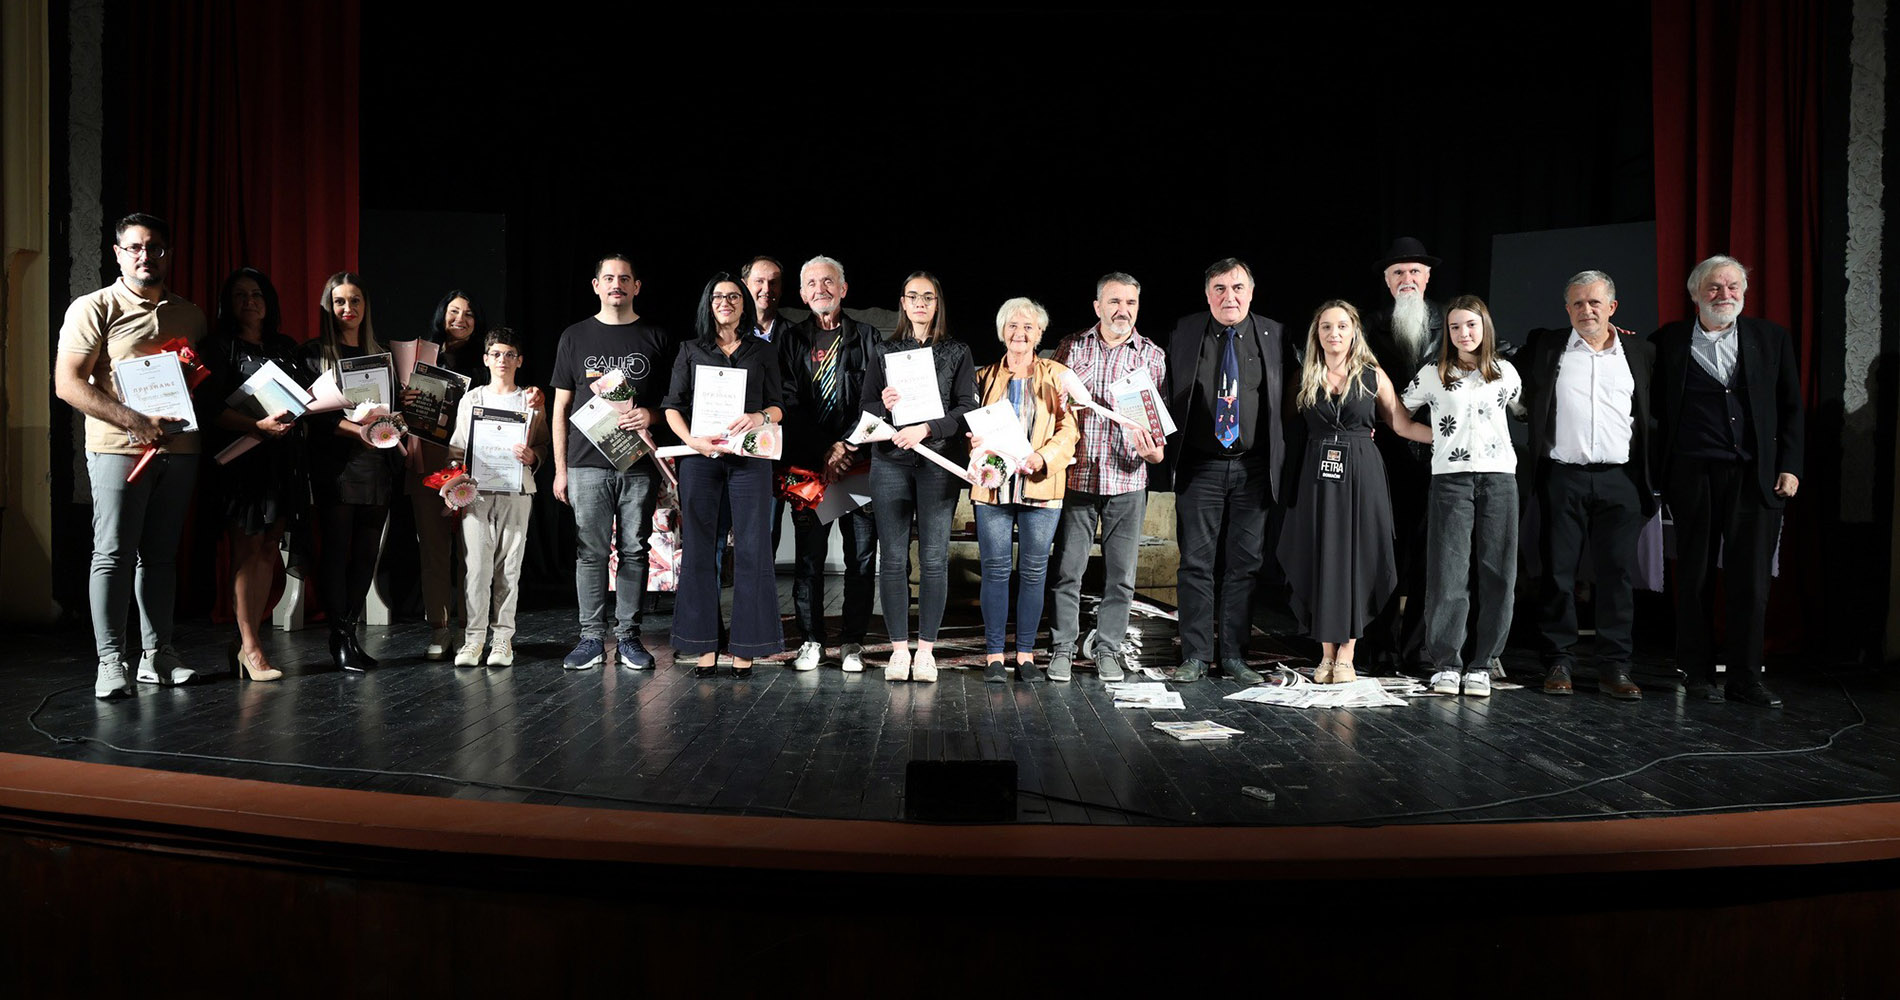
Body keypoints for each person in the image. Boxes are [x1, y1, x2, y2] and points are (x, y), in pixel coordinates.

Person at [54, 213, 209, 697]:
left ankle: (158, 656)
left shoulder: (191, 315)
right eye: (136, 248)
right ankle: (110, 661)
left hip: (181, 449)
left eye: (155, 247)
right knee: (113, 554)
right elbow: (68, 384)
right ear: (118, 254)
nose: (146, 256)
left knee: (160, 557)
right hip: (118, 449)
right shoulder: (93, 307)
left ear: (168, 254)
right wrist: (136, 422)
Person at [1650, 255, 1804, 708]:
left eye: (1733, 286)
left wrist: (1790, 465)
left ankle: (1745, 678)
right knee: (1694, 578)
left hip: (1755, 478)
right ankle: (1696, 674)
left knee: (1751, 582)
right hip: (1692, 477)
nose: (1725, 294)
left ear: (1744, 293)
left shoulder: (1770, 339)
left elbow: (1791, 407)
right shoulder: (1668, 342)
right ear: (1695, 294)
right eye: (1714, 287)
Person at [1519, 270, 1658, 700]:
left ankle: (1615, 666)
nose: (1587, 310)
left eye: (1595, 302)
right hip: (1563, 476)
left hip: (1621, 479)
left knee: (1616, 575)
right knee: (1557, 573)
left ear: (1612, 307)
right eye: (1577, 303)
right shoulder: (1547, 347)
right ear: (1567, 309)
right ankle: (1558, 660)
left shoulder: (1641, 352)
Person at [1277, 301, 1433, 683]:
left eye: (1342, 326)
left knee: (1356, 559)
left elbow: (1401, 424)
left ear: (1354, 332)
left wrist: (1453, 437)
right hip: (1317, 479)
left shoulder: (1371, 375)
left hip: (1362, 476)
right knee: (1321, 559)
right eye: (1326, 327)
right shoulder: (1304, 376)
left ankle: (1346, 654)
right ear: (1317, 334)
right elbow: (1278, 425)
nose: (1334, 333)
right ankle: (1326, 655)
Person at [1163, 258, 1290, 685]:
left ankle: (1235, 656)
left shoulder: (1274, 334)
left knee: (1245, 565)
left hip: (1253, 469)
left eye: (1237, 288)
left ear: (1251, 293)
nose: (1229, 297)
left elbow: (1294, 396)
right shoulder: (1185, 332)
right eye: (1219, 288)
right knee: (1195, 564)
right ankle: (1196, 656)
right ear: (1207, 294)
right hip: (1200, 466)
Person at [549, 254, 671, 671]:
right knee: (590, 552)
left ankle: (629, 638)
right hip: (586, 464)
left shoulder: (656, 337)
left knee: (635, 550)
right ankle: (590, 639)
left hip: (637, 464)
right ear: (596, 285)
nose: (616, 284)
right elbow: (561, 407)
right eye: (609, 277)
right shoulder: (574, 336)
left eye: (624, 278)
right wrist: (561, 469)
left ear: (637, 286)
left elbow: (673, 404)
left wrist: (649, 415)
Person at [663, 274, 787, 676]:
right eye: (718, 296)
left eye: (734, 296)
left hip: (750, 459)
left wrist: (759, 416)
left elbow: (779, 406)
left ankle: (747, 646)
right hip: (701, 460)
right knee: (700, 549)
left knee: (753, 548)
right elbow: (672, 406)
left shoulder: (762, 350)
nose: (726, 302)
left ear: (744, 303)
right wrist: (692, 441)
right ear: (708, 303)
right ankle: (703, 645)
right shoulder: (690, 350)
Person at [1399, 296, 1522, 697]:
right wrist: (1435, 438)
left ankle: (1483, 664)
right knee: (1448, 573)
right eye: (1455, 327)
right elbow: (1399, 415)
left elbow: (1523, 410)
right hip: (1451, 482)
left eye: (1471, 325)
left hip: (1499, 480)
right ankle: (1447, 664)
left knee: (1498, 574)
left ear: (1485, 327)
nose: (1463, 333)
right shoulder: (1433, 373)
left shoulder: (1505, 372)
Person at [1049, 272, 1167, 682]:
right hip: (1078, 477)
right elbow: (1052, 407)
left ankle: (1108, 650)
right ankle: (1062, 648)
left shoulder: (1152, 356)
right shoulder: (1072, 347)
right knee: (1068, 572)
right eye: (1114, 302)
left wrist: (1155, 453)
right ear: (1097, 306)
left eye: (1130, 303)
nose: (1123, 310)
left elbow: (1157, 426)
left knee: (1121, 578)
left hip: (1127, 480)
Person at [861, 272, 977, 683]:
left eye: (928, 297)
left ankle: (925, 651)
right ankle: (898, 650)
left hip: (938, 462)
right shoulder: (885, 350)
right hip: (890, 462)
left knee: (933, 558)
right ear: (903, 303)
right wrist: (883, 404)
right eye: (913, 297)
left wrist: (927, 428)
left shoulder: (958, 351)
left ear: (937, 303)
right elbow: (866, 408)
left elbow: (966, 408)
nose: (920, 303)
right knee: (892, 558)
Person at [197, 267, 308, 682]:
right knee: (247, 549)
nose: (249, 302)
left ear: (268, 302)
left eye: (257, 294)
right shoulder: (218, 346)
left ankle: (250, 639)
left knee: (269, 548)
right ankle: (251, 647)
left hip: (280, 461)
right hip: (241, 462)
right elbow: (209, 409)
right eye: (240, 295)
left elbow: (304, 395)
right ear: (229, 303)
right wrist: (255, 426)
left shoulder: (285, 346)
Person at [779, 255, 881, 672]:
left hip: (858, 463)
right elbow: (787, 402)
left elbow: (876, 399)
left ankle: (853, 642)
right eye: (812, 283)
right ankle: (811, 640)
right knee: (808, 560)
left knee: (861, 559)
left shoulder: (868, 336)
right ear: (802, 294)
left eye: (828, 281)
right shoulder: (790, 340)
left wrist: (846, 446)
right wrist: (825, 449)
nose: (820, 289)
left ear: (843, 289)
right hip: (808, 467)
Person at [971, 298, 1079, 683]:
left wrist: (1043, 457)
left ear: (1040, 333)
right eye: (1013, 326)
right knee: (995, 571)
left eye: (1028, 326)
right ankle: (994, 655)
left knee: (1034, 573)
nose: (1020, 333)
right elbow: (968, 424)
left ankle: (1026, 655)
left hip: (1042, 485)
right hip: (993, 489)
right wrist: (973, 441)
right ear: (1002, 332)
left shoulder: (1059, 375)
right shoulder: (982, 377)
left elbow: (1070, 429)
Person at [300, 271, 401, 672]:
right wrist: (356, 430)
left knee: (365, 553)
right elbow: (311, 415)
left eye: (355, 300)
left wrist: (402, 408)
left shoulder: (382, 354)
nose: (348, 308)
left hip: (377, 463)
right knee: (337, 550)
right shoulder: (313, 354)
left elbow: (392, 410)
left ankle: (348, 632)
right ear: (328, 307)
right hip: (337, 464)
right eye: (339, 301)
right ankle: (338, 638)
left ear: (365, 306)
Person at [1360, 237, 1446, 675]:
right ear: (1387, 281)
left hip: (1439, 455)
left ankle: (1420, 649)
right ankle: (1381, 646)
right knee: (1384, 553)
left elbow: (1494, 350)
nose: (1407, 278)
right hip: (1385, 454)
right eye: (1398, 273)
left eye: (1414, 271)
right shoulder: (1368, 325)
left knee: (1431, 556)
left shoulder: (1451, 320)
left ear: (1427, 278)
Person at [447, 327, 550, 667]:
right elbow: (457, 447)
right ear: (485, 359)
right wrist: (454, 476)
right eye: (496, 354)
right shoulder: (473, 399)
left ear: (519, 360)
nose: (502, 360)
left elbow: (542, 445)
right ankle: (473, 640)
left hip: (515, 491)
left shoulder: (530, 400)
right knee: (476, 569)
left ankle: (503, 639)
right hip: (476, 493)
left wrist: (533, 456)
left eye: (509, 354)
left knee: (509, 568)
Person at [406, 290, 486, 660]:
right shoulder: (421, 357)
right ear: (442, 315)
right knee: (434, 550)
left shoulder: (487, 359)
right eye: (454, 311)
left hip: (476, 465)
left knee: (474, 552)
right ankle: (439, 628)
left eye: (468, 313)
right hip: (430, 463)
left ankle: (472, 630)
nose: (460, 319)